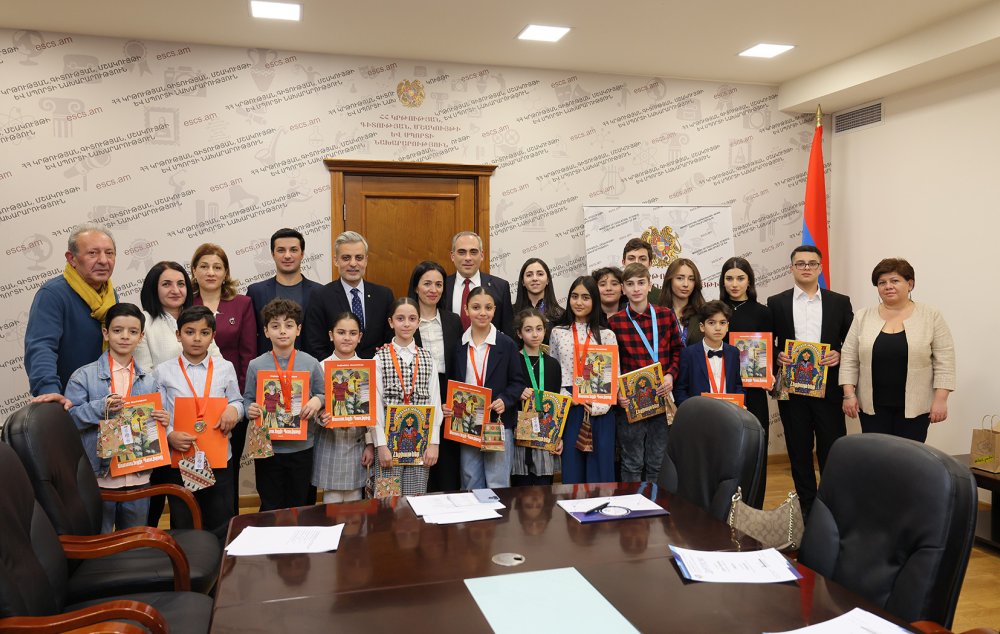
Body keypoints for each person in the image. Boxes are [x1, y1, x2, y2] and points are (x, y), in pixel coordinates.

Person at [64, 303, 169, 532]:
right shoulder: (84, 376)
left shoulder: (149, 381)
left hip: (138, 475)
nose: (125, 336)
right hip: (100, 477)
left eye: (133, 331)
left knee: (134, 540)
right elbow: (69, 420)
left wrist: (162, 420)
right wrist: (101, 408)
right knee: (100, 540)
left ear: (141, 337)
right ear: (106, 333)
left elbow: (153, 427)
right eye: (117, 330)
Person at [767, 245, 853, 519]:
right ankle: (808, 509)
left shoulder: (839, 302)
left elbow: (852, 342)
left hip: (829, 389)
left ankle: (832, 508)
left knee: (832, 449)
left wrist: (839, 354)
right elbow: (767, 343)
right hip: (791, 390)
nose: (806, 268)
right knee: (798, 450)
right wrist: (776, 355)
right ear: (791, 268)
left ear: (820, 267)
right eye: (800, 263)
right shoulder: (776, 302)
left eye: (812, 263)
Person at [840, 258, 955, 442]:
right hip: (872, 408)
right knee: (877, 455)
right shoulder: (863, 316)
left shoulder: (931, 316)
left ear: (910, 284)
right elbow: (849, 358)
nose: (888, 286)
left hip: (916, 408)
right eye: (882, 282)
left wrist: (941, 400)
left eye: (895, 280)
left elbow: (945, 361)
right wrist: (849, 394)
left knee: (909, 456)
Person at [156, 305, 244, 537]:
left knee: (220, 520)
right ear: (178, 335)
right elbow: (158, 413)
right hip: (181, 457)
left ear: (213, 336)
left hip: (218, 456)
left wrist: (234, 410)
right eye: (189, 332)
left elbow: (237, 400)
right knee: (184, 519)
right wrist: (169, 435)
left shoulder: (225, 368)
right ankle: (187, 560)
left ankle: (219, 559)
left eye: (204, 333)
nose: (197, 339)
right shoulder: (163, 371)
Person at [191, 243, 257, 514]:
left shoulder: (242, 304)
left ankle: (228, 524)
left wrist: (238, 403)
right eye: (204, 266)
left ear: (226, 272)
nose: (210, 272)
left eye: (217, 267)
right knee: (195, 467)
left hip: (231, 402)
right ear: (194, 271)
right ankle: (197, 524)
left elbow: (248, 354)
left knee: (228, 468)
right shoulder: (185, 303)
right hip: (193, 403)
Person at [244, 299, 325, 511]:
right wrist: (249, 409)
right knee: (271, 504)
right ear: (265, 331)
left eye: (288, 325)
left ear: (298, 330)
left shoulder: (311, 363)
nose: (282, 331)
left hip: (302, 447)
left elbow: (325, 393)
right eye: (275, 325)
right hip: (268, 448)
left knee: (302, 504)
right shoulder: (256, 365)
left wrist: (318, 400)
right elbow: (248, 399)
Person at [26, 223, 118, 402]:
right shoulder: (53, 294)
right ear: (72, 258)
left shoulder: (110, 295)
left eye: (109, 253)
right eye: (93, 253)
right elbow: (41, 347)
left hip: (106, 401)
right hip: (68, 402)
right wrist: (49, 391)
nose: (103, 260)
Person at [608, 263, 683, 482]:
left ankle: (655, 502)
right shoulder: (614, 323)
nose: (636, 289)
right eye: (630, 284)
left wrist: (670, 375)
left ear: (650, 285)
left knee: (657, 461)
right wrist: (617, 393)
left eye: (641, 283)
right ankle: (632, 502)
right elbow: (611, 364)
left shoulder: (666, 316)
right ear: (623, 289)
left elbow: (678, 350)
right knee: (632, 462)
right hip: (630, 404)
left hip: (661, 398)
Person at [449, 287, 525, 490]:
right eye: (476, 307)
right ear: (466, 310)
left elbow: (518, 382)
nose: (482, 313)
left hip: (497, 423)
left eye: (488, 308)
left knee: (497, 481)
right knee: (470, 480)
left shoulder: (506, 344)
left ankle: (498, 513)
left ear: (495, 310)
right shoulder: (459, 346)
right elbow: (453, 382)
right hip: (467, 423)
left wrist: (505, 400)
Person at [548, 276, 618, 484]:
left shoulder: (607, 335)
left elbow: (613, 376)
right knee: (572, 471)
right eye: (574, 296)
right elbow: (553, 373)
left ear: (595, 301)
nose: (579, 302)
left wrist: (599, 405)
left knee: (600, 475)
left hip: (599, 407)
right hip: (570, 407)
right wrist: (566, 399)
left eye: (585, 297)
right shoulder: (558, 333)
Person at [372, 298, 442, 496]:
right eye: (400, 318)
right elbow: (375, 405)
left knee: (416, 499)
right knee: (387, 500)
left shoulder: (428, 358)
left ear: (418, 322)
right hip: (388, 444)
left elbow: (435, 402)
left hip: (420, 444)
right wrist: (380, 444)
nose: (406, 324)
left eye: (412, 319)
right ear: (391, 322)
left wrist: (434, 443)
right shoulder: (379, 358)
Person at [719, 256, 773, 507]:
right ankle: (721, 508)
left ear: (749, 281)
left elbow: (770, 350)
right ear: (722, 281)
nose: (734, 284)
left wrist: (771, 370)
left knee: (755, 448)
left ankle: (753, 506)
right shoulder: (714, 310)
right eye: (729, 278)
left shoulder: (763, 312)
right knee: (724, 449)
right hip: (722, 389)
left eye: (740, 278)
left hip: (754, 390)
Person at [408, 260, 463, 492]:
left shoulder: (453, 320)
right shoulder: (406, 319)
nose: (433, 289)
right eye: (427, 283)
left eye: (438, 284)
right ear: (416, 287)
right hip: (414, 395)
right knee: (420, 461)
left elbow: (459, 363)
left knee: (448, 464)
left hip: (447, 394)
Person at [303, 231, 393, 360]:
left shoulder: (384, 296)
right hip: (335, 370)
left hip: (376, 369)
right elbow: (314, 344)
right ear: (336, 261)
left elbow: (390, 340)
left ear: (366, 260)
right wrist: (336, 368)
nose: (353, 263)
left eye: (359, 258)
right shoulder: (321, 296)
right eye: (346, 258)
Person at [314, 312, 375, 503]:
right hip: (330, 441)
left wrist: (370, 444)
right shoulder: (320, 367)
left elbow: (372, 411)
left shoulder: (368, 368)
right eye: (341, 332)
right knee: (331, 500)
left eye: (352, 333)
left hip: (358, 443)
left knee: (355, 499)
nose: (347, 337)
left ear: (360, 337)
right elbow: (313, 403)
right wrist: (320, 417)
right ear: (331, 335)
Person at [247, 228, 324, 355]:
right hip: (268, 365)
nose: (287, 256)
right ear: (273, 254)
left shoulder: (320, 292)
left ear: (302, 254)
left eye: (293, 250)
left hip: (310, 364)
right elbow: (249, 339)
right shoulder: (256, 292)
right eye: (281, 250)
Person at [512, 308, 563, 486]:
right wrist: (516, 393)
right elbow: (505, 393)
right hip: (520, 434)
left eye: (539, 329)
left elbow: (558, 402)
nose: (535, 334)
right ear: (519, 333)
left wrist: (559, 436)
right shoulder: (512, 361)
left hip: (546, 433)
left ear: (545, 331)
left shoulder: (553, 364)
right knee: (520, 490)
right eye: (528, 329)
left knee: (544, 489)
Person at [673, 301, 745, 404]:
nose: (718, 328)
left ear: (727, 326)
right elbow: (680, 390)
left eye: (722, 323)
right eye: (711, 323)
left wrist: (740, 404)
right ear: (702, 327)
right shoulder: (688, 354)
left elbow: (738, 385)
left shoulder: (733, 352)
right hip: (700, 411)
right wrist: (691, 410)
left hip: (729, 411)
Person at [445, 231, 514, 335]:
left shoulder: (501, 287)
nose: (468, 258)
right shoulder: (442, 286)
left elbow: (508, 332)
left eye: (473, 252)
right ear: (452, 256)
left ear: (482, 255)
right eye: (462, 252)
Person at [511, 258, 564, 340]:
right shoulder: (511, 312)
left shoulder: (560, 315)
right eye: (529, 275)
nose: (534, 278)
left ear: (548, 280)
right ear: (523, 282)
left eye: (540, 274)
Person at [657, 258, 706, 346]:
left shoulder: (704, 313)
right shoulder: (656, 312)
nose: (686, 284)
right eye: (680, 278)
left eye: (691, 279)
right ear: (670, 280)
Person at [621, 238, 660, 304]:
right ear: (623, 262)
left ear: (650, 263)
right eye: (631, 258)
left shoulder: (662, 297)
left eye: (642, 259)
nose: (636, 262)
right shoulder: (615, 296)